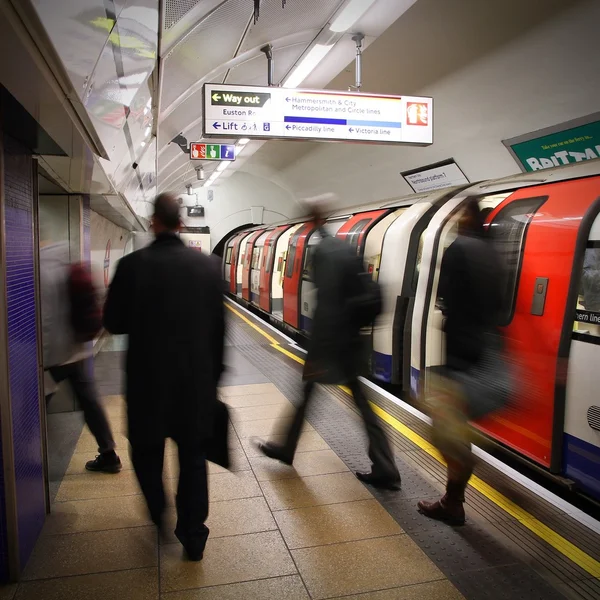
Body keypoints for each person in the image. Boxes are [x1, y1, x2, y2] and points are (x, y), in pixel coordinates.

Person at [103, 193, 225, 561]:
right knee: (192, 458)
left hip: (147, 383)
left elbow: (114, 322)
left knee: (146, 453)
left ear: (153, 222)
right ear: (181, 224)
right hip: (194, 385)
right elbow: (219, 333)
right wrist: (213, 381)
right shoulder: (208, 268)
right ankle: (193, 533)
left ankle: (158, 511)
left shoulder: (130, 266)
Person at [257, 196, 401, 490]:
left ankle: (287, 448)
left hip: (333, 344)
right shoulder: (345, 247)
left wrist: (318, 350)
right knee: (359, 404)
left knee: (312, 396)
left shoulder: (323, 251)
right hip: (350, 339)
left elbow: (330, 305)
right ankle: (384, 466)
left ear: (312, 221)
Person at [418, 198, 504, 525]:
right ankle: (452, 500)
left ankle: (460, 483)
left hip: (457, 358)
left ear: (466, 216)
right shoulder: (493, 253)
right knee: (456, 425)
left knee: (444, 430)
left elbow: (445, 299)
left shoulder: (459, 249)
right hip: (484, 354)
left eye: (458, 214)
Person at [40, 238, 122, 473]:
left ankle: (28, 458)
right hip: (78, 350)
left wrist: (42, 357)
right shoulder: (68, 261)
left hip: (52, 356)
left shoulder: (36, 268)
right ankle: (109, 454)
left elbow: (45, 317)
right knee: (90, 403)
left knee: (34, 407)